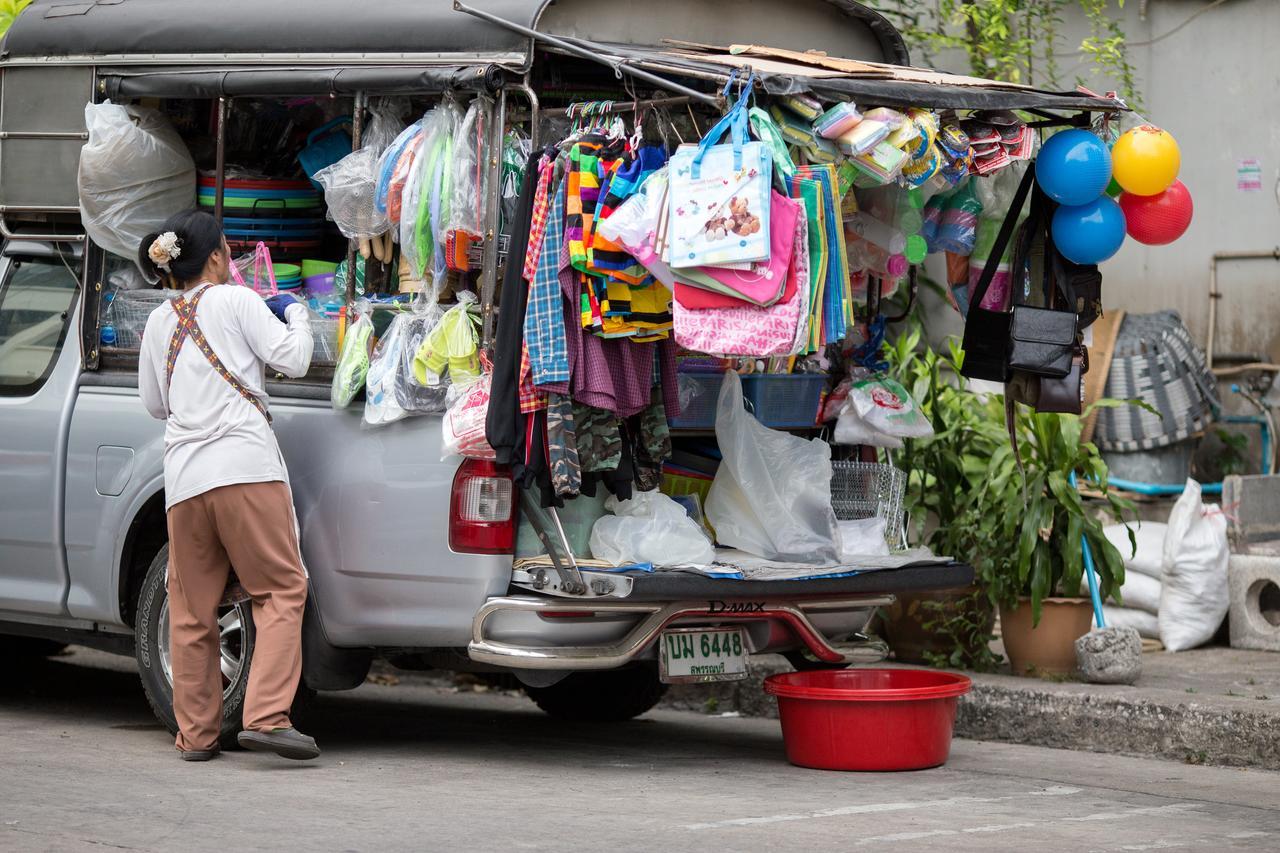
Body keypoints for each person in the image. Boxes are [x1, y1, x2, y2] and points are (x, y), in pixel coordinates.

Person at [136, 210, 319, 762]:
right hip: (244, 469)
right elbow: (295, 357)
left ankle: (196, 735)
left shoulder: (157, 322)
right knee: (281, 589)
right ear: (217, 257)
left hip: (186, 482)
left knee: (192, 609)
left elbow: (154, 404)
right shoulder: (238, 300)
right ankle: (266, 717)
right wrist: (297, 312)